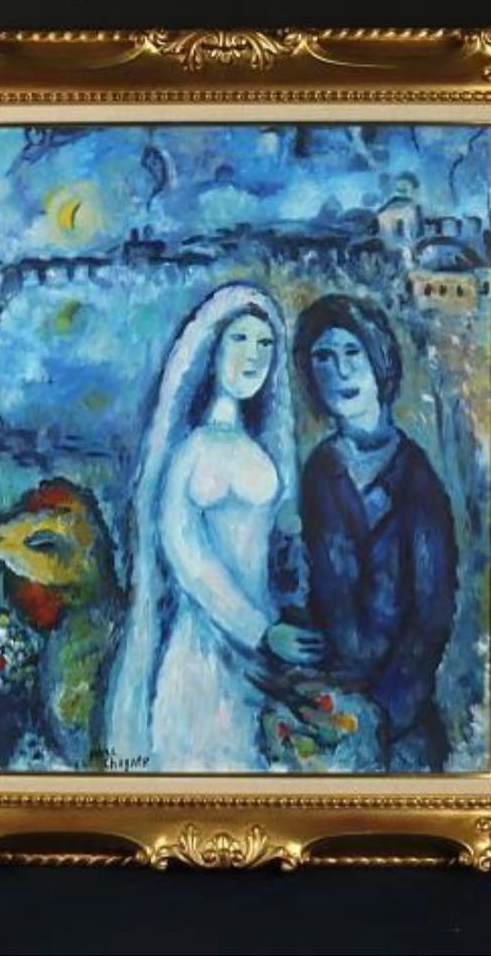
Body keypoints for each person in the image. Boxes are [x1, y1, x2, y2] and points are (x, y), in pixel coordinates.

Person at [106, 283, 322, 771]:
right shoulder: (190, 454)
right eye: (239, 340)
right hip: (202, 652)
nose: (253, 357)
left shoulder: (263, 451)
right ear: (212, 350)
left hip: (262, 658)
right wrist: (260, 631)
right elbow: (190, 560)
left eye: (265, 345)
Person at [294, 295, 458, 771]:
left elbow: (432, 618)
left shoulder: (416, 479)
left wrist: (382, 714)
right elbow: (310, 586)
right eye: (323, 357)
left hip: (400, 725)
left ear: (379, 362)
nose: (339, 372)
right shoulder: (319, 470)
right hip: (326, 711)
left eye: (352, 353)